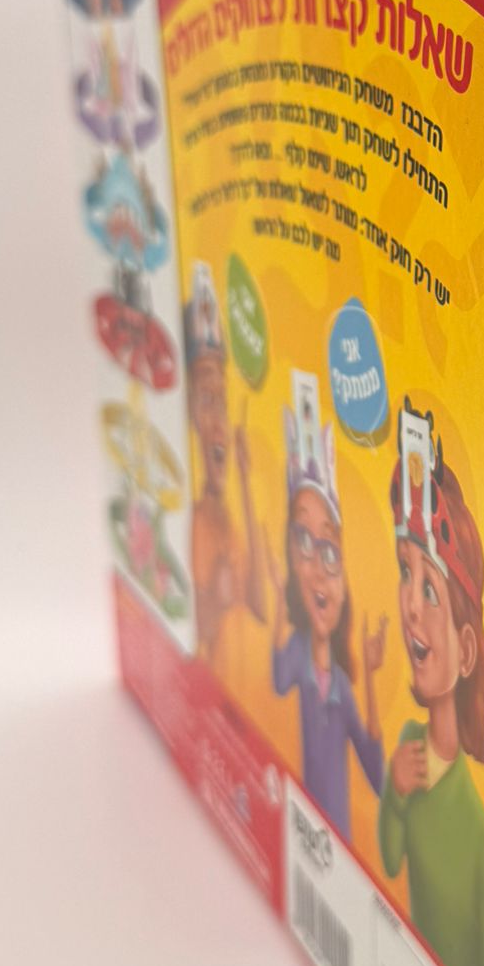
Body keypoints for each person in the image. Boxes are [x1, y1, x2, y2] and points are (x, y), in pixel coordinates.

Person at [378, 402, 484, 966]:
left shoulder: (483, 837)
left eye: (428, 588)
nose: (408, 604)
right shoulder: (407, 748)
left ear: (466, 650)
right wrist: (396, 795)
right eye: (405, 573)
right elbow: (388, 856)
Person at [265, 371, 385, 833]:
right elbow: (278, 680)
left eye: (329, 550)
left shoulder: (342, 689)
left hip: (339, 840)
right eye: (302, 543)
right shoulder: (297, 655)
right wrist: (278, 601)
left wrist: (369, 675)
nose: (317, 567)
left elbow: (376, 773)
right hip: (304, 825)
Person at [184, 262, 263, 677]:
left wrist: (247, 484)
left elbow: (261, 607)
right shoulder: (195, 522)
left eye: (223, 401)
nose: (219, 424)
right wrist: (216, 596)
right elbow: (197, 626)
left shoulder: (229, 521)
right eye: (207, 401)